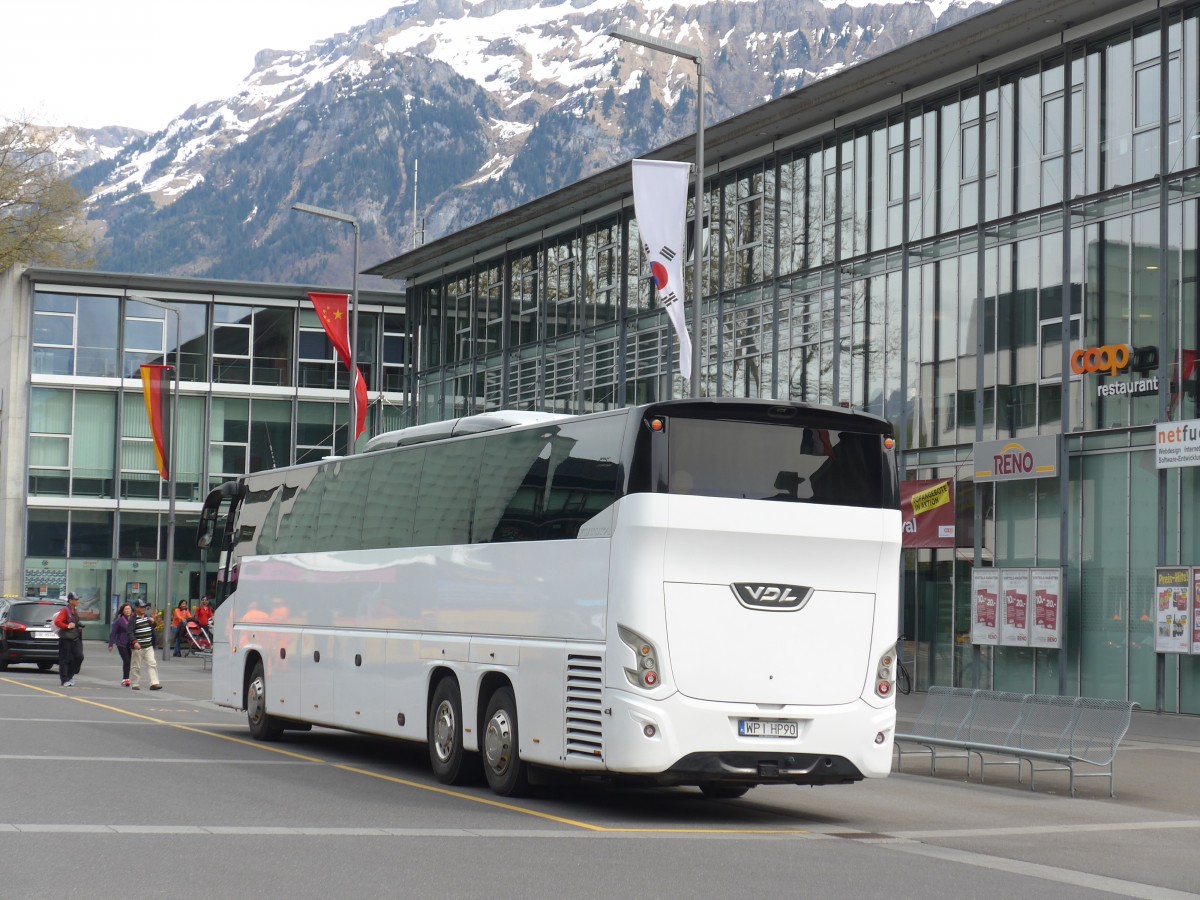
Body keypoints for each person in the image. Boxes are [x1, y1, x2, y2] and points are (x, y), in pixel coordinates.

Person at [53, 592, 85, 687]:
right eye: (76, 599)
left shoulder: (74, 610)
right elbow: (57, 621)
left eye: (78, 599)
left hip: (75, 638)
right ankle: (64, 679)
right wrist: (67, 626)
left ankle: (70, 676)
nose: (77, 601)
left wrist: (78, 624)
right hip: (66, 638)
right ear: (70, 600)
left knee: (79, 656)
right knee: (64, 659)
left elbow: (75, 622)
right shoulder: (65, 610)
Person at [128, 601, 162, 691]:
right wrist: (134, 642)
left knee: (152, 663)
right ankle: (135, 683)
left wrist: (153, 622)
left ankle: (154, 683)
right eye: (142, 607)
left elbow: (153, 628)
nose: (143, 609)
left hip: (148, 646)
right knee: (136, 666)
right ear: (137, 608)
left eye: (145, 607)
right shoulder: (133, 619)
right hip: (138, 647)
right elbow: (129, 632)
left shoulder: (147, 617)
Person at [107, 602, 134, 687]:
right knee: (126, 660)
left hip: (131, 643)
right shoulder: (119, 621)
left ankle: (127, 678)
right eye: (126, 609)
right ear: (122, 611)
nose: (127, 611)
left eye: (129, 609)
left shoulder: (133, 619)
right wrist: (110, 644)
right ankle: (125, 679)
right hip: (121, 643)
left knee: (130, 661)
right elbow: (113, 633)